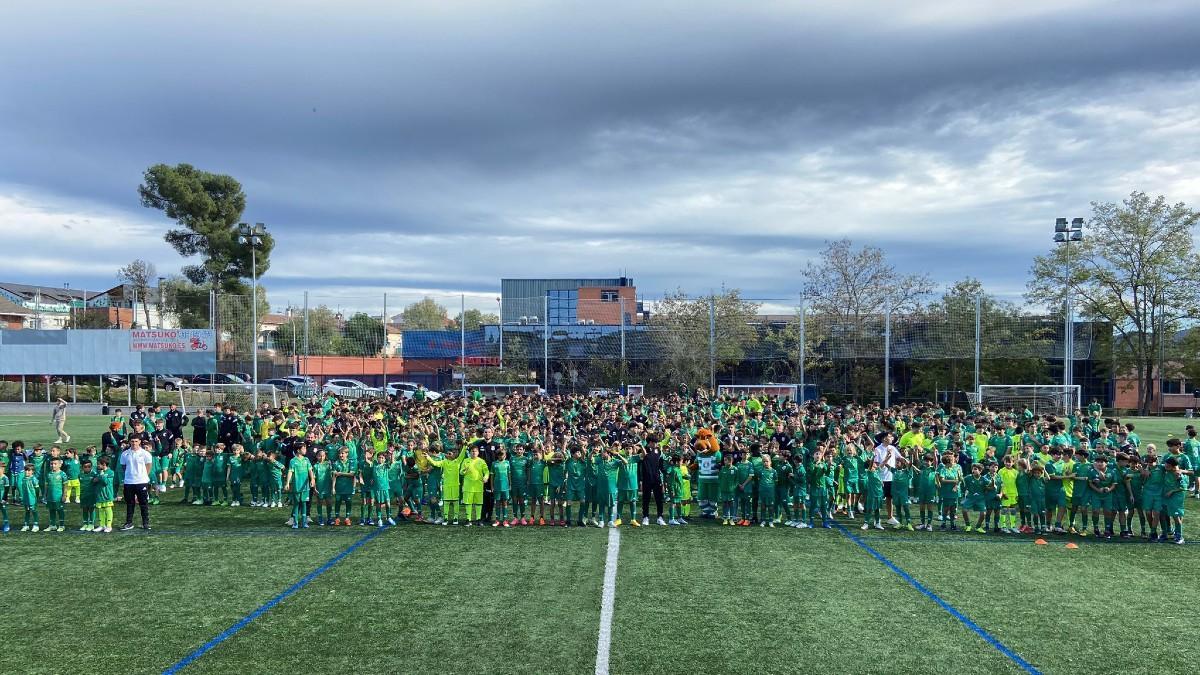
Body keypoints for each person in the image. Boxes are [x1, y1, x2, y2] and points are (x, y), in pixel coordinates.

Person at [119, 437, 153, 531]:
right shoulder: (125, 454)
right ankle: (129, 523)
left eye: (136, 441)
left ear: (140, 442)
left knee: (143, 503)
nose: (134, 443)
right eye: (132, 441)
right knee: (130, 503)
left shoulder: (145, 454)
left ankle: (145, 523)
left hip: (141, 482)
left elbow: (149, 465)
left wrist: (143, 476)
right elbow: (123, 466)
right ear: (130, 442)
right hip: (129, 482)